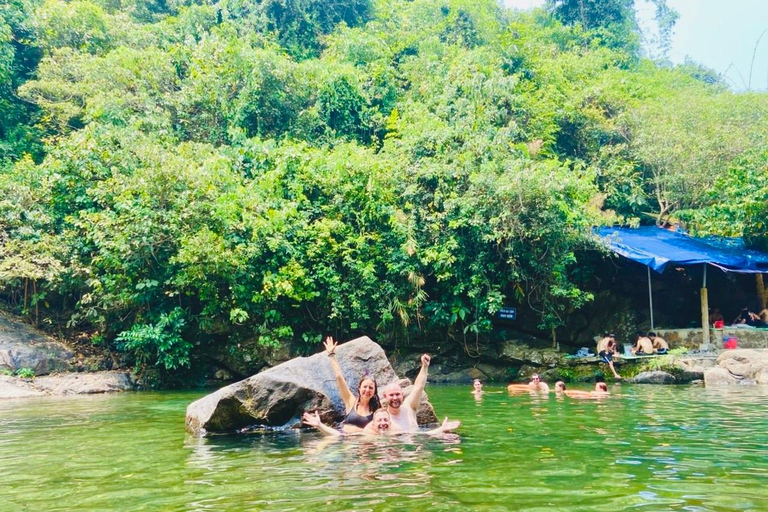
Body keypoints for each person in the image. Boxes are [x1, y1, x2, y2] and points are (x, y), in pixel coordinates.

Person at [323, 336, 381, 432]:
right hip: (348, 443)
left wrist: (354, 430)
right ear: (359, 388)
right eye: (365, 387)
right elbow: (338, 376)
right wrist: (331, 354)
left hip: (367, 445)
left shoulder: (377, 410)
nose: (367, 390)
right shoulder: (350, 401)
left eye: (371, 388)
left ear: (374, 391)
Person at [301, 409, 460, 437]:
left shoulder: (398, 433)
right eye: (380, 420)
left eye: (386, 420)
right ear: (373, 423)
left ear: (390, 423)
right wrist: (320, 425)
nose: (383, 423)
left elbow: (423, 435)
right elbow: (339, 435)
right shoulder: (365, 434)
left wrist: (441, 429)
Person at [380, 353, 431, 432]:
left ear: (402, 395)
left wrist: (424, 366)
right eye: (391, 395)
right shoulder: (383, 419)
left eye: (397, 394)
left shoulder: (409, 407)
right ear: (385, 396)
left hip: (415, 442)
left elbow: (418, 387)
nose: (395, 398)